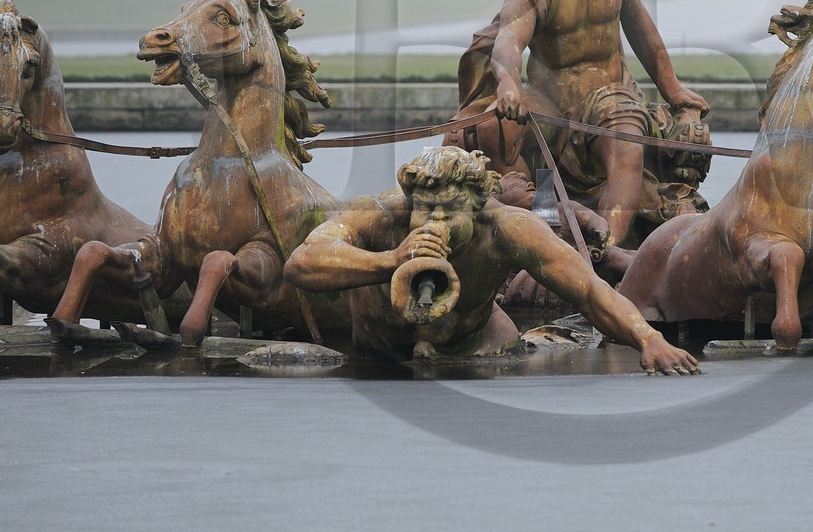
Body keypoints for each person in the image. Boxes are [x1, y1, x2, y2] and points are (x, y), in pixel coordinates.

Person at [282, 146, 700, 373]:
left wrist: (648, 339)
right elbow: (303, 262)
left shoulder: (507, 227)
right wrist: (390, 260)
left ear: (477, 209)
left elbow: (588, 290)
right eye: (426, 209)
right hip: (379, 353)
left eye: (450, 211)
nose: (436, 220)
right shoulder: (379, 213)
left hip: (474, 352)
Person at [451, 0, 711, 248]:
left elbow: (642, 32)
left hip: (610, 94)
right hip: (550, 97)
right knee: (502, 129)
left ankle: (606, 245)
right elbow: (509, 38)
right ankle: (546, 228)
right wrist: (508, 83)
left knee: (626, 140)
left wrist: (673, 89)